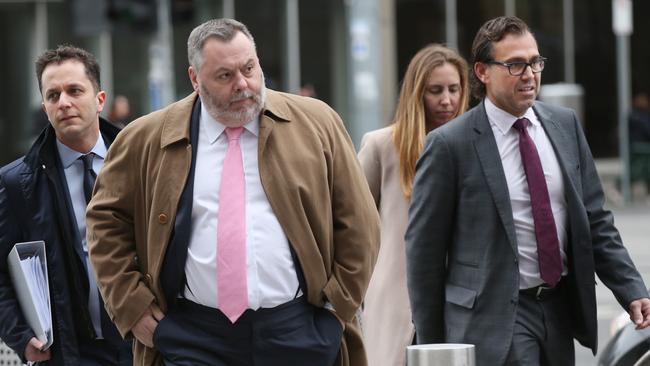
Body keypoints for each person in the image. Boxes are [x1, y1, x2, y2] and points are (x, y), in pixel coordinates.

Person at [85, 18, 379, 366]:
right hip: (194, 336)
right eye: (225, 76)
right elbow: (104, 220)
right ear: (194, 79)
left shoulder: (318, 124)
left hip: (300, 331)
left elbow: (360, 224)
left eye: (249, 68)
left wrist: (335, 309)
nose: (243, 84)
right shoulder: (145, 138)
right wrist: (131, 306)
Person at [405, 16, 650, 366]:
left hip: (558, 310)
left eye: (535, 62)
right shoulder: (450, 145)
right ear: (482, 72)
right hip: (492, 317)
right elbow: (424, 254)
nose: (530, 74)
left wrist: (632, 289)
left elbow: (596, 221)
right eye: (515, 64)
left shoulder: (564, 125)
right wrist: (432, 348)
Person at [0, 45, 132, 365]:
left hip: (142, 343)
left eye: (75, 90)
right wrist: (20, 335)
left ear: (100, 100)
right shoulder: (17, 183)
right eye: (53, 95)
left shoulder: (138, 163)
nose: (64, 103)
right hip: (69, 352)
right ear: (45, 107)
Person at [357, 43, 469, 366]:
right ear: (416, 93)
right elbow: (353, 223)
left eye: (454, 89)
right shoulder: (382, 146)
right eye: (435, 90)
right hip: (397, 300)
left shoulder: (474, 146)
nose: (447, 100)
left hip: (461, 297)